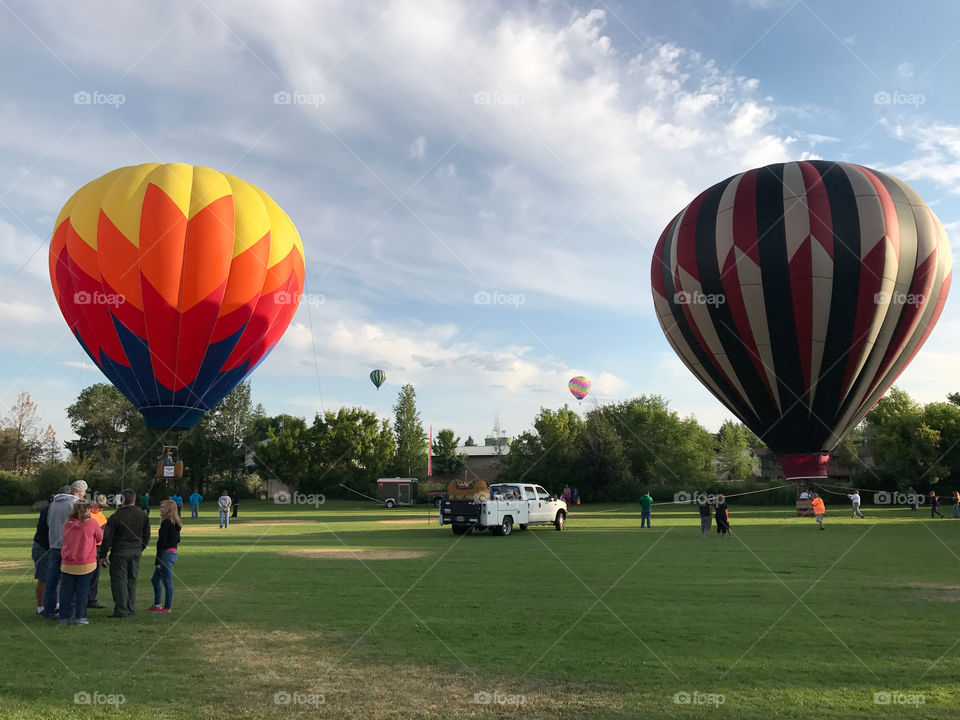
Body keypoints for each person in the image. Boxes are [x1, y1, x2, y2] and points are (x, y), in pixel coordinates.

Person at [100, 488, 151, 618]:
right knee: (131, 580)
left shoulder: (115, 517)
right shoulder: (143, 515)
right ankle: (130, 607)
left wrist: (102, 555)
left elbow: (107, 538)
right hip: (135, 550)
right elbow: (147, 535)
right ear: (134, 499)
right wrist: (140, 548)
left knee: (119, 581)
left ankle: (122, 609)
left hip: (119, 551)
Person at [42, 481, 87, 619]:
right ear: (81, 492)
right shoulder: (75, 504)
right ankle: (68, 609)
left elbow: (49, 523)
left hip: (54, 544)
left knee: (51, 579)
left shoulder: (54, 504)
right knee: (70, 580)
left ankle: (48, 609)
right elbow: (82, 526)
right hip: (69, 546)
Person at [58, 501, 103, 626]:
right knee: (82, 591)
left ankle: (64, 617)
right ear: (87, 510)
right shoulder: (92, 523)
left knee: (66, 591)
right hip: (86, 562)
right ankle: (80, 617)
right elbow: (100, 538)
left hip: (68, 562)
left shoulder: (67, 524)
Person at [149, 499, 182, 614]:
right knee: (155, 580)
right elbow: (178, 539)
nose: (160, 509)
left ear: (168, 509)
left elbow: (161, 543)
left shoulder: (166, 523)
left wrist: (158, 560)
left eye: (163, 507)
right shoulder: (175, 523)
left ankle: (167, 607)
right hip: (172, 553)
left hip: (166, 555)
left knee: (167, 582)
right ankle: (157, 604)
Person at [31, 496, 54, 615]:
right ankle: (41, 606)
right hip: (44, 547)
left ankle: (53, 604)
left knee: (54, 577)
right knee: (43, 577)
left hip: (47, 546)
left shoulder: (50, 508)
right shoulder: (51, 510)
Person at [86, 495, 109, 609]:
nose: (101, 509)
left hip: (100, 547)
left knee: (96, 574)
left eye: (103, 507)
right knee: (89, 573)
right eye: (99, 506)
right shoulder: (87, 514)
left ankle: (92, 599)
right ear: (93, 503)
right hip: (91, 546)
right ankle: (87, 599)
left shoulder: (101, 514)